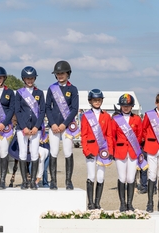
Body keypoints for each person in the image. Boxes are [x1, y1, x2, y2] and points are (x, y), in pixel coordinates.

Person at [45, 60, 79, 190]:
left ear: (67, 74)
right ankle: (53, 181)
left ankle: (68, 181)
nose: (60, 75)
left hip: (67, 126)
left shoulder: (73, 89)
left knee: (67, 152)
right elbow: (47, 107)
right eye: (58, 73)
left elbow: (74, 109)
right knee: (53, 152)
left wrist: (65, 124)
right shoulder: (51, 88)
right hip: (54, 126)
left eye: (62, 73)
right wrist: (53, 123)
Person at [81, 89, 114, 209]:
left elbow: (109, 135)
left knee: (100, 176)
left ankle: (97, 202)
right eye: (95, 100)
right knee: (91, 176)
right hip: (90, 149)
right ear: (90, 101)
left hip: (103, 150)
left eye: (99, 100)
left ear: (101, 101)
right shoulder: (86, 116)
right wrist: (86, 150)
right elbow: (83, 135)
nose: (97, 102)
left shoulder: (106, 116)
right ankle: (90, 203)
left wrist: (110, 150)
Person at [15, 66, 45, 190]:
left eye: (31, 78)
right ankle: (24, 181)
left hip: (35, 129)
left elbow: (42, 111)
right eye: (27, 78)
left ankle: (33, 181)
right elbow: (17, 110)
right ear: (24, 79)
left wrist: (36, 126)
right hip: (22, 129)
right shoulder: (19, 92)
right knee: (22, 153)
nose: (29, 80)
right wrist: (24, 127)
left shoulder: (39, 93)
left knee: (34, 153)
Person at [112, 93, 143, 212]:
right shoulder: (116, 119)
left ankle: (130, 203)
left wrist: (135, 146)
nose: (126, 107)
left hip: (133, 151)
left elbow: (139, 135)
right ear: (121, 106)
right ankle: (122, 204)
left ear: (132, 106)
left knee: (131, 178)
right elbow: (112, 136)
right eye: (124, 105)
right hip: (120, 151)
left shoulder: (137, 119)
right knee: (122, 177)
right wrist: (114, 149)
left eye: (128, 105)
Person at [142, 93, 159, 212]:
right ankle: (150, 203)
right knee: (152, 174)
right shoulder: (149, 114)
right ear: (156, 103)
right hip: (152, 147)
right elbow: (143, 129)